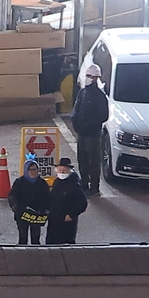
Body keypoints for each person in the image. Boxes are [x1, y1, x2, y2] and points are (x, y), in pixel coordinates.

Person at [72, 63, 109, 194]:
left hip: (93, 134)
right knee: (82, 159)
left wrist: (87, 125)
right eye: (87, 75)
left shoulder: (100, 96)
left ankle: (94, 187)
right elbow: (76, 108)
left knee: (93, 161)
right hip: (82, 133)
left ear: (95, 78)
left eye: (90, 76)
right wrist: (75, 122)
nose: (87, 78)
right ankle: (84, 183)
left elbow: (103, 116)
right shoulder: (83, 92)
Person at [45, 156, 88, 244]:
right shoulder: (57, 181)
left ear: (69, 171)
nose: (62, 172)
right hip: (54, 219)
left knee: (66, 242)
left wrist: (71, 215)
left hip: (66, 221)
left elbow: (83, 203)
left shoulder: (75, 185)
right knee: (52, 241)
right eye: (60, 170)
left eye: (64, 170)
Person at [8, 159, 50, 245]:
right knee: (23, 238)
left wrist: (44, 211)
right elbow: (12, 196)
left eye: (34, 169)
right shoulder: (19, 182)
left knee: (35, 238)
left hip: (37, 215)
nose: (32, 172)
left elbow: (48, 199)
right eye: (30, 169)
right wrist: (16, 208)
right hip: (23, 215)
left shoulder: (42, 183)